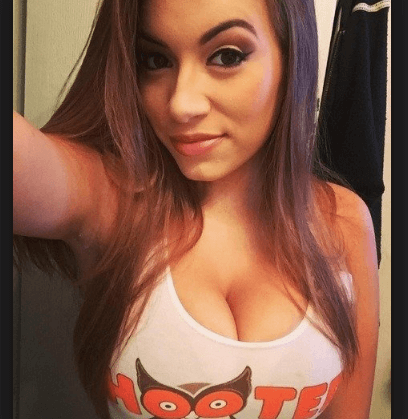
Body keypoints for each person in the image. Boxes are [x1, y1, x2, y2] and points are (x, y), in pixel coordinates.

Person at [13, 0, 379, 418]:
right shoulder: (112, 200)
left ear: (290, 55)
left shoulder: (343, 221)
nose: (180, 105)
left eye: (227, 56)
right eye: (156, 60)